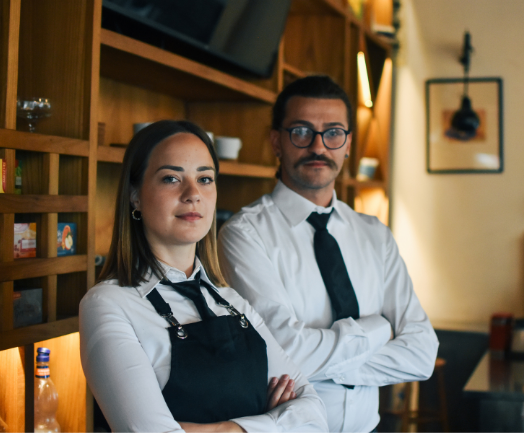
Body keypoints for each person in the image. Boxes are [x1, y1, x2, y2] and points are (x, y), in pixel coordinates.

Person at [217, 76, 439, 432]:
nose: (318, 146)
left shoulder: (375, 235)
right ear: (276, 141)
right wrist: (380, 329)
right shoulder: (244, 235)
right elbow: (287, 353)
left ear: (348, 143)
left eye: (333, 132)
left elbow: (422, 355)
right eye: (301, 131)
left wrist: (318, 366)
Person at [79, 120, 328, 433]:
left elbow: (315, 416)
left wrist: (224, 429)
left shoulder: (233, 301)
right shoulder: (108, 304)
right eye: (171, 178)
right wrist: (272, 422)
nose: (193, 193)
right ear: (135, 196)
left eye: (205, 178)